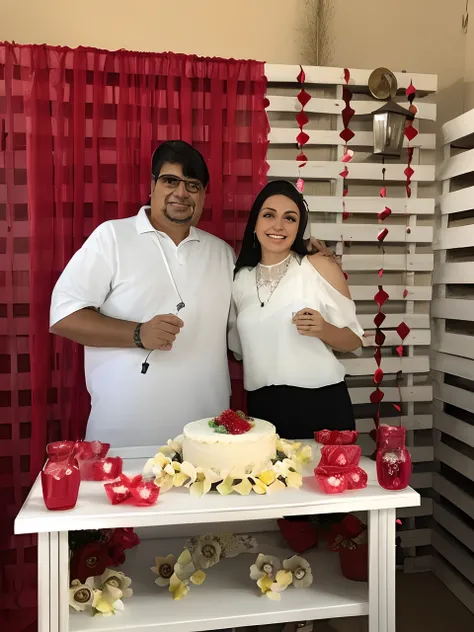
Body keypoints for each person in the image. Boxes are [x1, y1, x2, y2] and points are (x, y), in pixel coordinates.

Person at [50, 141, 236, 448]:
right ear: (152, 185)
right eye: (170, 181)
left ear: (203, 196)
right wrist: (138, 334)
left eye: (193, 185)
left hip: (204, 440)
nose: (181, 193)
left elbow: (250, 323)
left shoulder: (222, 254)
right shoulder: (112, 237)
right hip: (124, 436)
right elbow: (64, 316)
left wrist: (305, 259)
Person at [230, 180, 364, 440]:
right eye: (269, 215)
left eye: (289, 218)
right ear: (255, 223)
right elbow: (238, 350)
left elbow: (355, 340)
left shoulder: (318, 266)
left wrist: (324, 330)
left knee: (326, 481)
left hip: (321, 404)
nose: (278, 225)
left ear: (299, 227)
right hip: (262, 408)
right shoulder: (239, 279)